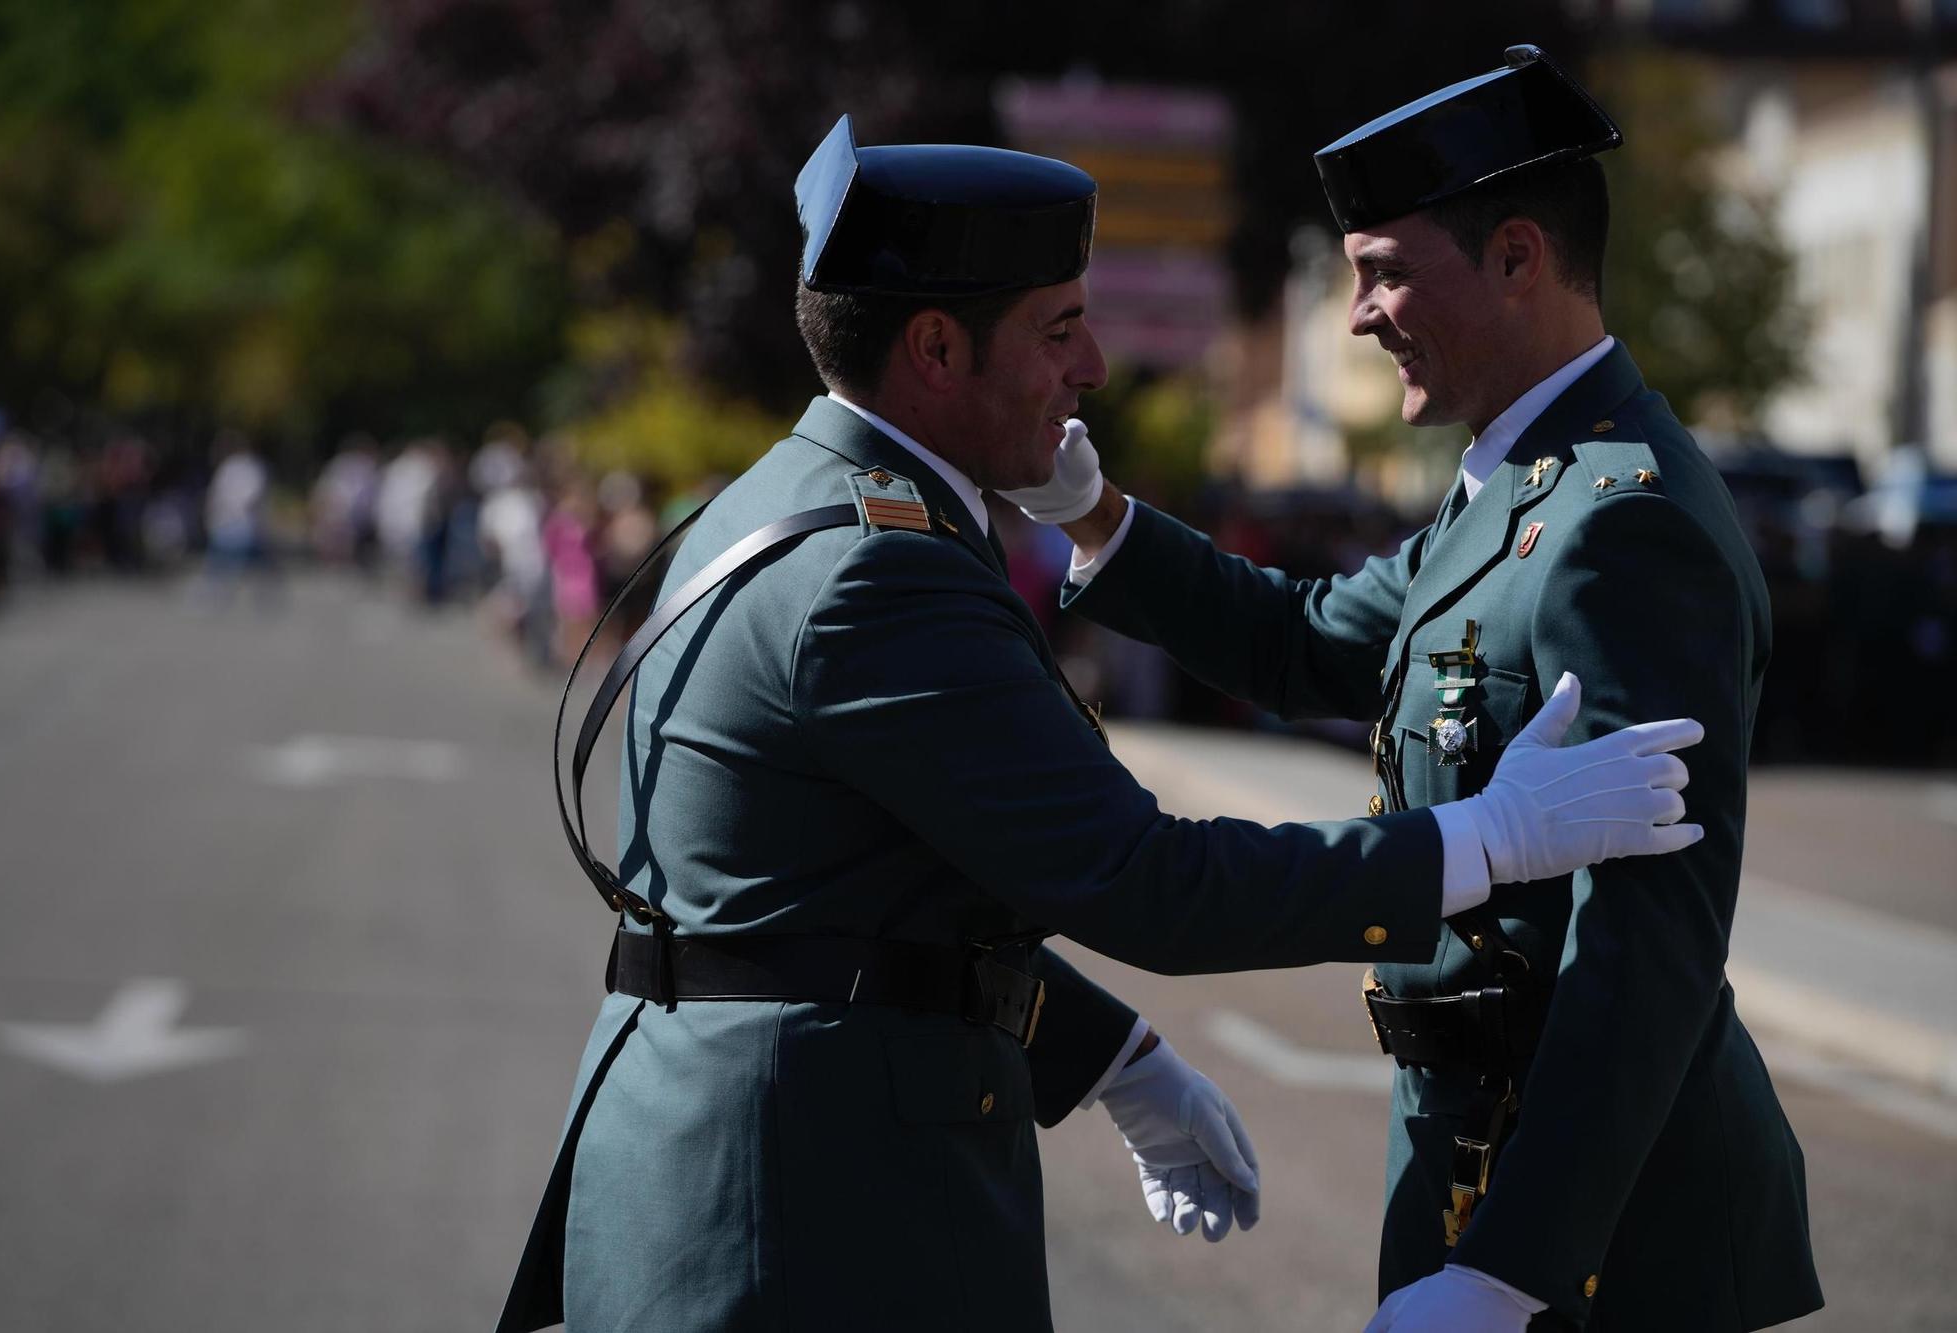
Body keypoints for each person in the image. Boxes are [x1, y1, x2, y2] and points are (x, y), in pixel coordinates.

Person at [496, 112, 1709, 1333]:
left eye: (1385, 271)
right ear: (932, 347)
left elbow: (855, 902)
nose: (1093, 369)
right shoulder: (878, 569)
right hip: (798, 1214)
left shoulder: (786, 499)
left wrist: (1103, 1052)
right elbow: (1140, 875)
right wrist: (1484, 841)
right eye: (1059, 328)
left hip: (739, 1175)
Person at [1007, 46, 1822, 1333]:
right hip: (1466, 1162)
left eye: (1384, 272)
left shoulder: (1620, 519)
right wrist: (1095, 516)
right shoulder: (1515, 484)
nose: (1356, 315)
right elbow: (1305, 644)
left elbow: (1645, 942)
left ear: (1515, 256)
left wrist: (1513, 1268)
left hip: (1603, 1236)